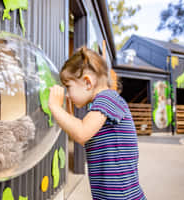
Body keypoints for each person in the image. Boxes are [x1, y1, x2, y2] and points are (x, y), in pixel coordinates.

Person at [48, 46, 146, 200]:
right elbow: (87, 139)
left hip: (121, 195)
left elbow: (81, 133)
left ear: (87, 82)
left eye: (68, 86)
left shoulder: (107, 99)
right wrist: (69, 116)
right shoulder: (102, 104)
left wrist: (54, 106)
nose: (68, 93)